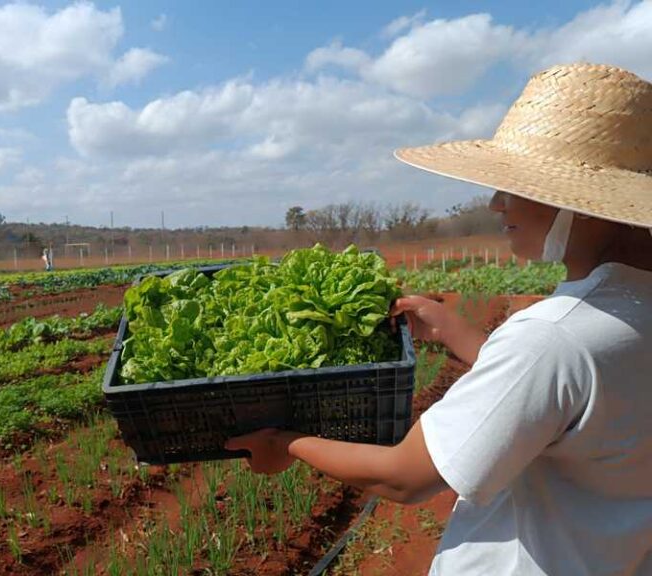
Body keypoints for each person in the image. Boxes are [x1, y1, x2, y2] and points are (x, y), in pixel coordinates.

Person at [225, 62, 652, 575]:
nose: (496, 203)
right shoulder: (623, 311)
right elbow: (573, 396)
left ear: (582, 206)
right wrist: (461, 335)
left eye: (516, 186)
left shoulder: (551, 337)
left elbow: (407, 477)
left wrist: (282, 443)